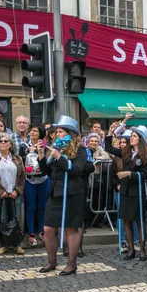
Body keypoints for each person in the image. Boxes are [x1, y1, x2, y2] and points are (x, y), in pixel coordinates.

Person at [38, 116, 88, 275]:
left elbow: (76, 171)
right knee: (47, 229)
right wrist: (41, 156)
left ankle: (72, 264)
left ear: (69, 133)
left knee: (70, 229)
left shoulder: (80, 150)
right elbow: (45, 171)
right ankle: (52, 262)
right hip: (55, 193)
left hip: (72, 193)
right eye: (56, 131)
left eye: (59, 131)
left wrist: (60, 157)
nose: (56, 134)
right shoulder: (54, 148)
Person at [105, 124, 147, 261]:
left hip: (137, 193)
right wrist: (110, 132)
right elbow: (109, 148)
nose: (131, 138)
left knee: (140, 222)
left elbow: (146, 174)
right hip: (125, 192)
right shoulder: (126, 152)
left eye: (134, 136)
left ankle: (143, 250)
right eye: (131, 136)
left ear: (141, 139)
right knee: (126, 221)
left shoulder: (146, 156)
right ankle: (131, 250)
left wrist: (130, 174)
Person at [0, 132, 26, 255]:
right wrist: (0, 191)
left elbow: (22, 176)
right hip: (0, 195)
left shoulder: (17, 158)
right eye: (0, 141)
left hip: (15, 193)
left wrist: (17, 190)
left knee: (17, 219)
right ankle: (3, 245)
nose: (3, 143)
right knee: (1, 220)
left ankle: (17, 244)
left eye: (6, 141)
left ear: (10, 144)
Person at [22, 125, 50, 246]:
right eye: (31, 130)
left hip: (43, 179)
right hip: (29, 180)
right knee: (31, 206)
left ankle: (42, 231)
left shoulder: (45, 145)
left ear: (41, 134)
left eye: (35, 131)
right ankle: (31, 232)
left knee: (42, 206)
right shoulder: (24, 145)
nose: (32, 132)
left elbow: (48, 162)